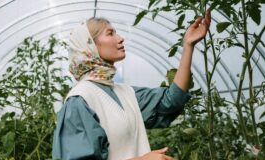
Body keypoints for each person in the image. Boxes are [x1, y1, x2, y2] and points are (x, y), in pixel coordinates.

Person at [52, 9, 211, 160]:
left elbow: (172, 100)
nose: (121, 38)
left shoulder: (126, 93)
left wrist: (188, 46)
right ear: (90, 46)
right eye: (110, 33)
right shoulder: (81, 100)